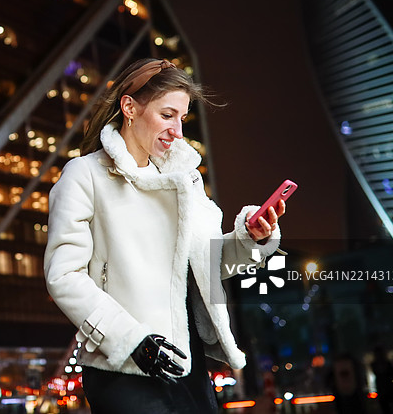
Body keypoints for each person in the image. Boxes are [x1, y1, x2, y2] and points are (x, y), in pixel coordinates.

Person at [44, 58, 286, 414]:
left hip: (187, 364)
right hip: (123, 366)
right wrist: (131, 340)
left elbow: (207, 266)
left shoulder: (185, 180)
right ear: (129, 107)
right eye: (167, 114)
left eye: (182, 118)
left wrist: (252, 238)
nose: (178, 131)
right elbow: (63, 276)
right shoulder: (84, 176)